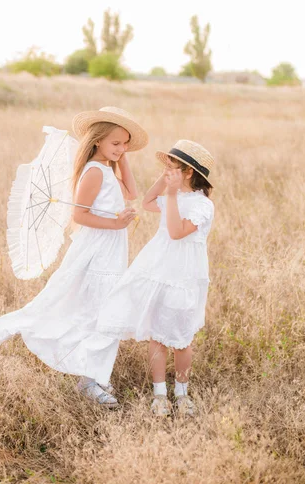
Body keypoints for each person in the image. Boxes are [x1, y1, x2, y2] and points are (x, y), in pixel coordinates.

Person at [0, 107, 148, 408]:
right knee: (100, 307)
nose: (121, 149)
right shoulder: (94, 171)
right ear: (97, 141)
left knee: (103, 307)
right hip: (98, 246)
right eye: (115, 144)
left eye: (125, 144)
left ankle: (93, 373)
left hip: (111, 247)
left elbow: (131, 192)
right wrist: (116, 223)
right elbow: (79, 215)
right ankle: (89, 379)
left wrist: (123, 156)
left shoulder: (108, 167)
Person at [97, 140, 214, 416]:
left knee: (182, 337)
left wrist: (172, 195)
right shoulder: (171, 194)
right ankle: (159, 393)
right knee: (156, 334)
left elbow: (175, 232)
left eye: (171, 167)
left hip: (183, 275)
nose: (166, 170)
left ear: (188, 173)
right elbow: (148, 202)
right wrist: (165, 184)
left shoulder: (202, 205)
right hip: (158, 269)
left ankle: (182, 393)